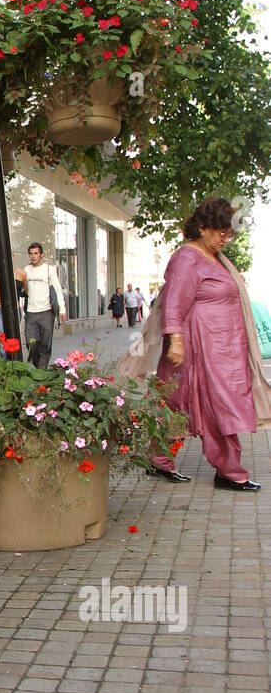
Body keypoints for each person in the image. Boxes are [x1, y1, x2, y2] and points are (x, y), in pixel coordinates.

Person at [122, 198, 271, 489]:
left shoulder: (214, 258)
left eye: (230, 233)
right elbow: (175, 302)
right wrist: (176, 340)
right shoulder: (188, 258)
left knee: (178, 405)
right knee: (216, 405)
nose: (226, 238)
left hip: (220, 350)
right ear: (203, 228)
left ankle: (158, 460)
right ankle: (229, 470)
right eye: (221, 232)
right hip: (196, 349)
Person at [14, 242, 65, 369]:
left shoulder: (49, 269)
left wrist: (62, 309)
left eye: (36, 253)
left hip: (46, 312)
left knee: (45, 345)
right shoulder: (26, 270)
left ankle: (40, 374)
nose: (33, 256)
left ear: (41, 254)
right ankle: (40, 368)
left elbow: (58, 289)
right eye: (31, 254)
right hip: (31, 312)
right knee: (31, 344)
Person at [0, 274, 26, 360]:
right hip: (1, 310)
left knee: (13, 339)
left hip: (15, 310)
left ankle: (14, 364)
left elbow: (27, 291)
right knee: (2, 342)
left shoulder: (21, 274)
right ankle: (5, 365)